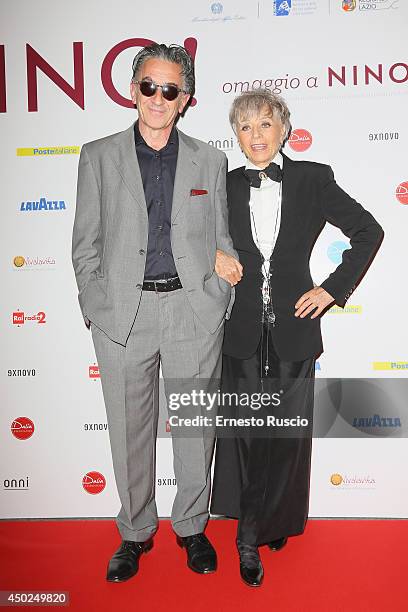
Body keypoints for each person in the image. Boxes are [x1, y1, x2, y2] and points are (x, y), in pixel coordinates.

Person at [72, 43, 242, 582]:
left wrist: (224, 280)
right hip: (124, 312)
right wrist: (97, 306)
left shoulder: (210, 161)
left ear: (185, 99)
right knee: (128, 429)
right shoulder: (97, 155)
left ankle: (192, 527)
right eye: (150, 85)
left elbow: (222, 238)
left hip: (193, 310)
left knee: (196, 423)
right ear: (133, 88)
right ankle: (134, 532)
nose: (158, 98)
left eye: (170, 90)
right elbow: (85, 244)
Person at [210, 89, 383, 587]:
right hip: (239, 328)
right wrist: (211, 258)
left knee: (285, 433)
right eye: (245, 128)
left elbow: (369, 231)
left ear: (284, 129)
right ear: (236, 136)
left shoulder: (312, 178)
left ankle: (274, 522)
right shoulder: (221, 185)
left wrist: (331, 289)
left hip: (295, 328)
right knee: (245, 435)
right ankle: (248, 536)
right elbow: (188, 237)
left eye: (265, 125)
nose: (256, 136)